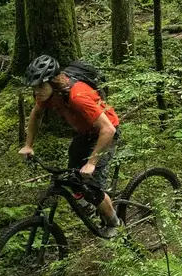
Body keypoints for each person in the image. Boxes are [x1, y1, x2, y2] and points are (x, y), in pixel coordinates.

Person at [19, 54, 121, 229]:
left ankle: (115, 225)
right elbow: (36, 115)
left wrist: (91, 163)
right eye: (35, 88)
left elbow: (108, 130)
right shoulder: (47, 94)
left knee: (93, 189)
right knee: (73, 177)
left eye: (40, 86)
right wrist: (28, 145)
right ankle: (90, 207)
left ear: (53, 81)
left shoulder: (77, 96)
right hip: (85, 133)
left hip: (106, 132)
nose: (37, 92)